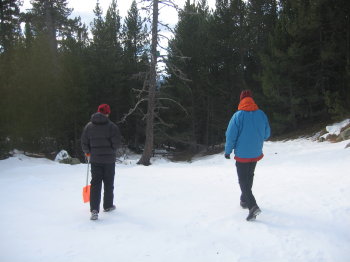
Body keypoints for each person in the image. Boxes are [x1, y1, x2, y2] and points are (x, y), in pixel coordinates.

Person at [225, 90, 270, 221]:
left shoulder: (238, 116)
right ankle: (244, 200)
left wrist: (228, 151)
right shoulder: (261, 114)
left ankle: (252, 206)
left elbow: (230, 135)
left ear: (241, 100)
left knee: (242, 180)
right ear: (252, 99)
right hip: (255, 152)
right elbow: (267, 134)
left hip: (242, 154)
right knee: (249, 176)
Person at [81, 104, 121, 220]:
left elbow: (84, 142)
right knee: (109, 183)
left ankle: (94, 210)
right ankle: (108, 205)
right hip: (109, 161)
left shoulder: (89, 127)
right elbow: (117, 143)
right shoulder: (112, 127)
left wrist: (88, 152)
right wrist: (111, 150)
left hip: (95, 160)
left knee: (95, 184)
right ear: (107, 113)